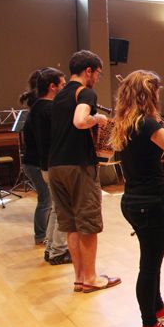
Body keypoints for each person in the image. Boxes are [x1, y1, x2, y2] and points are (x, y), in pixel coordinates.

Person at [111, 70, 164, 327]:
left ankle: (156, 305)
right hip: (150, 202)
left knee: (153, 257)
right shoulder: (147, 125)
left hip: (133, 200)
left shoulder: (126, 123)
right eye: (156, 92)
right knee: (149, 264)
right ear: (148, 94)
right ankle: (149, 323)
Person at [48, 50, 119, 293]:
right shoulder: (86, 92)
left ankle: (79, 278)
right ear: (88, 71)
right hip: (78, 166)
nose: (97, 78)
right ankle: (91, 278)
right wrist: (97, 119)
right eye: (98, 73)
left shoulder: (59, 95)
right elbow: (80, 121)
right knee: (88, 224)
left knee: (71, 225)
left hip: (56, 166)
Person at [20, 67, 71, 264]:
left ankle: (51, 248)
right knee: (62, 210)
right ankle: (58, 251)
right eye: (63, 84)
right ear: (52, 87)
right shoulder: (49, 109)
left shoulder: (37, 107)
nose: (65, 87)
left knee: (56, 208)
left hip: (45, 166)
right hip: (53, 165)